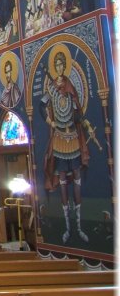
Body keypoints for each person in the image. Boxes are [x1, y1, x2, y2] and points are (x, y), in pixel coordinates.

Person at [40, 49, 91, 243]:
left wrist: (82, 120)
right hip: (60, 138)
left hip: (73, 137)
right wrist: (50, 121)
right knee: (61, 180)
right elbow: (41, 106)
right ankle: (68, 228)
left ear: (65, 66)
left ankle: (79, 226)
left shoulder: (70, 87)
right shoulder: (51, 89)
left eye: (62, 64)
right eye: (57, 65)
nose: (60, 67)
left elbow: (77, 110)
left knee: (77, 179)